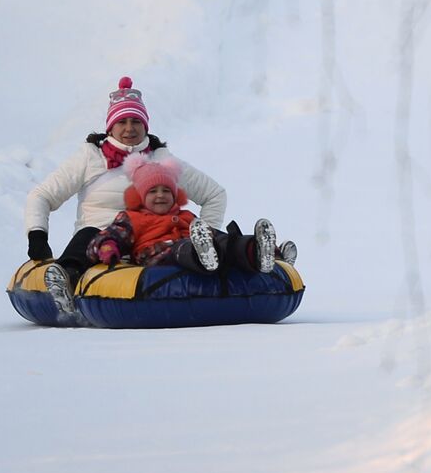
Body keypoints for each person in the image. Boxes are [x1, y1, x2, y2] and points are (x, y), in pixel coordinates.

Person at [24, 76, 229, 308]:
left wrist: (204, 234)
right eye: (122, 122)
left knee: (192, 242)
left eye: (136, 122)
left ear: (145, 126)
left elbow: (214, 194)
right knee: (88, 233)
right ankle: (66, 279)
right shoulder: (90, 157)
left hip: (149, 242)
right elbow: (42, 196)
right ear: (110, 127)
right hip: (99, 242)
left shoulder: (162, 161)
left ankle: (235, 256)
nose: (129, 129)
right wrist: (37, 236)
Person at [83, 154, 278, 280]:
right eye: (153, 192)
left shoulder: (185, 215)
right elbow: (110, 235)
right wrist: (107, 246)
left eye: (167, 190)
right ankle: (202, 254)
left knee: (224, 241)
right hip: (158, 257)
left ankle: (256, 251)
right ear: (141, 197)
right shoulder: (132, 218)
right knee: (183, 248)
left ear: (175, 194)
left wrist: (230, 242)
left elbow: (211, 234)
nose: (160, 195)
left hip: (197, 246)